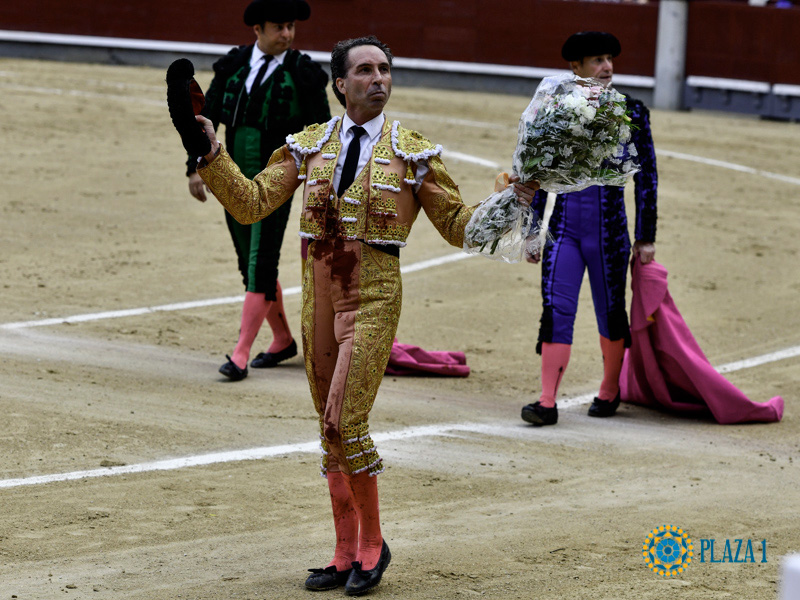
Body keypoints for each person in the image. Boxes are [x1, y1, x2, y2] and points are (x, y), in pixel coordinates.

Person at [186, 36, 538, 594]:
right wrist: (211, 153)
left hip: (372, 297)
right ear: (340, 85)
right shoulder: (309, 145)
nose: (379, 79)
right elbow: (252, 202)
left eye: (386, 70)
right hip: (318, 298)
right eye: (366, 70)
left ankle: (373, 546)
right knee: (328, 430)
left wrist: (514, 199)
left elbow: (460, 227)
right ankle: (344, 550)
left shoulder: (413, 151)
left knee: (344, 421)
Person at [185, 0, 331, 381]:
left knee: (259, 261)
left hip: (277, 180)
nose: (287, 34)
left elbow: (323, 132)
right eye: (279, 27)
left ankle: (240, 354)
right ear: (258, 30)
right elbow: (206, 118)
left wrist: (317, 184)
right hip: (231, 178)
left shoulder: (303, 72)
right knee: (245, 262)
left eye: (291, 27)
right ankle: (282, 339)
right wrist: (196, 169)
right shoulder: (233, 65)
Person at [521, 31, 658, 426]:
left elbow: (646, 178)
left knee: (611, 312)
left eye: (610, 59)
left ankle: (610, 390)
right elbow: (541, 175)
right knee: (555, 310)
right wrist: (533, 232)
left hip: (611, 233)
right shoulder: (556, 110)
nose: (607, 67)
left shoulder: (631, 111)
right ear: (575, 67)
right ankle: (547, 401)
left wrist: (645, 237)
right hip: (564, 231)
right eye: (597, 60)